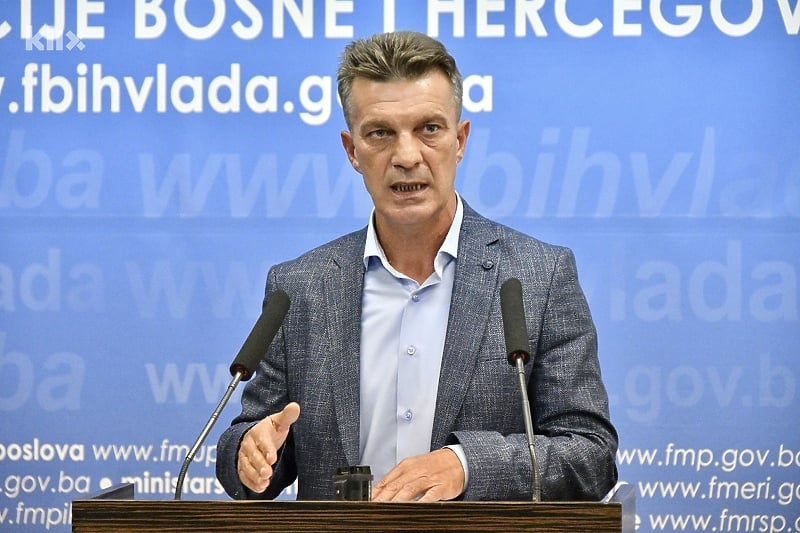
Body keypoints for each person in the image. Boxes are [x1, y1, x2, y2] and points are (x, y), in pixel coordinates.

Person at [216, 30, 617, 502]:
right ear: (352, 150)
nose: (406, 157)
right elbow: (252, 442)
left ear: (460, 140)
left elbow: (590, 456)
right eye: (380, 133)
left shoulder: (538, 278)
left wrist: (466, 465)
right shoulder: (300, 287)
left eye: (429, 129)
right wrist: (250, 452)